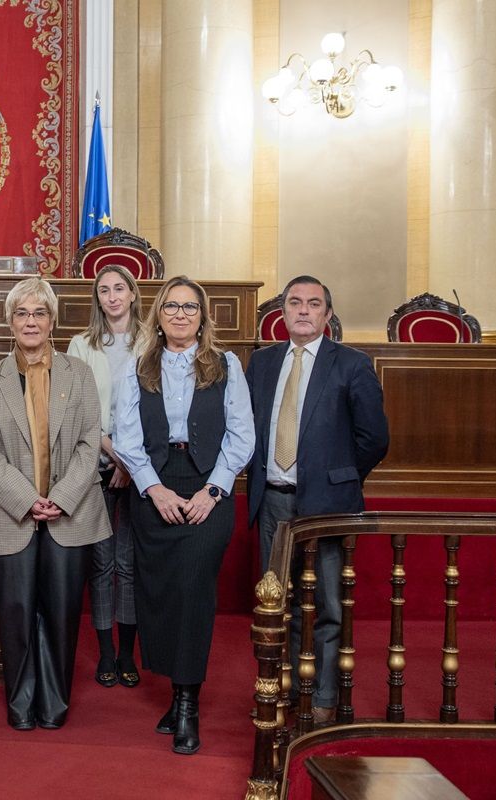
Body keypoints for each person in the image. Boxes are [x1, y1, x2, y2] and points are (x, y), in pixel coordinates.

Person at [113, 275, 254, 755]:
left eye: (189, 307)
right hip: (155, 483)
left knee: (193, 590)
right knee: (161, 593)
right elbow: (127, 439)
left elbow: (242, 436)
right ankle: (177, 691)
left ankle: (187, 705)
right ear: (158, 314)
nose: (179, 314)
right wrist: (155, 489)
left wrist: (213, 491)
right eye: (171, 306)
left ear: (203, 315)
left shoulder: (226, 364)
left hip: (207, 485)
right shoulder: (139, 364)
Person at [245, 275, 389, 725]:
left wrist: (340, 478)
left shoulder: (351, 364)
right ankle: (283, 689)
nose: (303, 310)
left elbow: (374, 439)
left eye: (313, 304)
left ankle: (324, 696)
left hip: (329, 504)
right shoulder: (263, 363)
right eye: (294, 303)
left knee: (327, 604)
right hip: (273, 501)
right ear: (281, 313)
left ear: (327, 314)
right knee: (278, 602)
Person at [0, 277, 111, 731]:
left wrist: (62, 498)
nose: (31, 321)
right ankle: (20, 702)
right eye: (22, 314)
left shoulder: (79, 373)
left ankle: (54, 704)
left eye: (39, 313)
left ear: (52, 320)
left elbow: (92, 442)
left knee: (63, 611)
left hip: (72, 514)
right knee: (14, 613)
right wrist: (28, 499)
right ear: (10, 322)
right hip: (9, 515)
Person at [67, 264, 145, 689]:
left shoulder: (153, 341)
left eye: (119, 289)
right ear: (96, 299)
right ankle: (106, 654)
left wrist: (129, 464)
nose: (112, 296)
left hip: (140, 471)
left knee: (127, 564)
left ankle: (128, 653)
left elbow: (157, 408)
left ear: (133, 294)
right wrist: (113, 454)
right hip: (94, 466)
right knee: (100, 565)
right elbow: (78, 409)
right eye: (104, 290)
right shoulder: (82, 344)